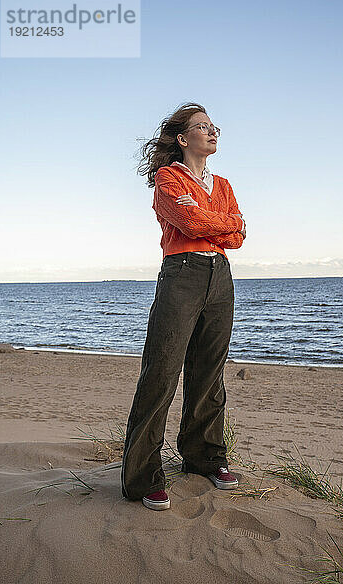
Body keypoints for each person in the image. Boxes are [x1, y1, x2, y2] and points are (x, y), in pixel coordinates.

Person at [121, 102, 246, 511]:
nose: (212, 132)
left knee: (209, 372)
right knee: (161, 370)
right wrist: (222, 223)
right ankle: (142, 478)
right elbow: (193, 226)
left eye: (214, 127)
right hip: (182, 272)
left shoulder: (223, 184)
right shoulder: (167, 178)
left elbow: (239, 234)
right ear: (182, 138)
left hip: (220, 277)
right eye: (202, 127)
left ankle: (204, 458)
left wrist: (219, 222)